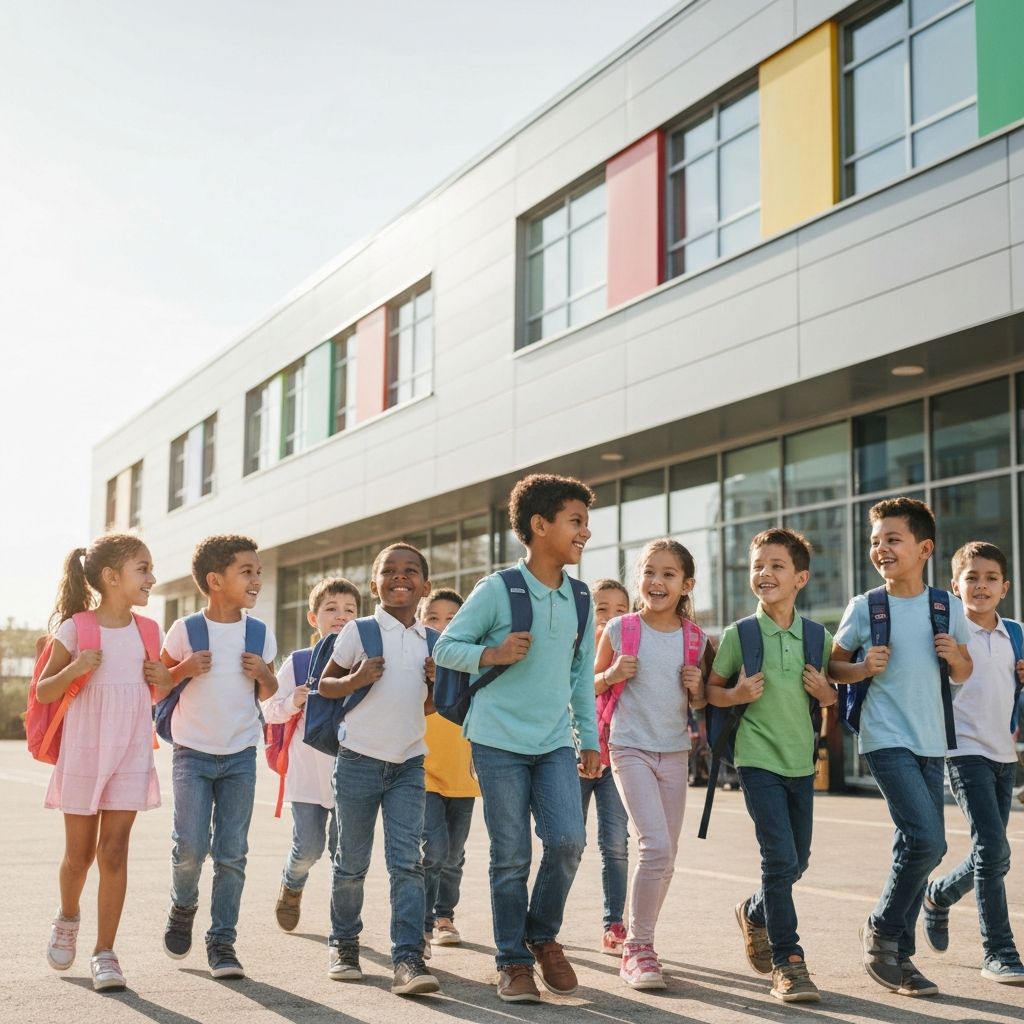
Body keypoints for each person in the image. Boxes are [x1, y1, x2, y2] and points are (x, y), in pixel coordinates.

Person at [434, 473, 600, 1004]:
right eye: (576, 521)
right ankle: (511, 961)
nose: (585, 533)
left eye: (586, 523)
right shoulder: (497, 589)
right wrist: (493, 653)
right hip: (497, 739)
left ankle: (541, 933)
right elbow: (445, 648)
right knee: (510, 856)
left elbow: (578, 677)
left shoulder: (579, 595)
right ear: (539, 525)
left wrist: (588, 737)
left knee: (569, 840)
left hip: (553, 741)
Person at [830, 497, 971, 997]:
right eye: (875, 541)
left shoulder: (947, 607)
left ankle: (899, 958)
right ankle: (883, 933)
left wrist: (956, 656)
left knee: (915, 844)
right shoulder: (866, 607)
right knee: (928, 840)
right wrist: (862, 669)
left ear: (924, 548)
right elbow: (834, 665)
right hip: (885, 735)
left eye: (892, 539)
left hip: (932, 740)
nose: (880, 548)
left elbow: (963, 672)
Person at [706, 528, 835, 1003]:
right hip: (756, 759)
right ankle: (789, 961)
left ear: (800, 577)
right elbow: (710, 692)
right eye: (758, 565)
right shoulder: (739, 634)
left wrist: (828, 694)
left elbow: (831, 693)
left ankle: (753, 912)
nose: (765, 573)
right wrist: (736, 694)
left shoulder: (818, 636)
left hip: (800, 761)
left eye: (777, 566)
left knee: (796, 861)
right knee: (779, 859)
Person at [37, 535, 170, 991]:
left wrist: (164, 676)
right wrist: (75, 668)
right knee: (78, 857)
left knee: (113, 851)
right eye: (143, 568)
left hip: (130, 750)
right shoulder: (77, 629)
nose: (152, 577)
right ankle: (68, 916)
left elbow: (160, 686)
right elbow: (43, 691)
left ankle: (105, 952)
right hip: (85, 751)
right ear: (112, 577)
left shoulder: (149, 631)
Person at [319, 543, 440, 996]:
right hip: (358, 761)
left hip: (409, 761)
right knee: (350, 862)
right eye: (389, 571)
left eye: (410, 571)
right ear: (375, 585)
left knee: (408, 864)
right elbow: (325, 686)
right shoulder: (360, 630)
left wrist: (433, 682)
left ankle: (407, 958)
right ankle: (344, 944)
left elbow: (431, 706)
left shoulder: (433, 640)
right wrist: (355, 680)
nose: (399, 577)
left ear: (424, 586)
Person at [160, 534, 278, 979]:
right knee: (190, 848)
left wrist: (266, 674)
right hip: (192, 753)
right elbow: (157, 685)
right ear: (215, 580)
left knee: (232, 854)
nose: (256, 579)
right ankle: (183, 904)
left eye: (259, 572)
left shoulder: (259, 632)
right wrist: (183, 669)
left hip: (240, 756)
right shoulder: (185, 630)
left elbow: (269, 693)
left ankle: (222, 942)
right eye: (246, 571)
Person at [595, 541, 708, 989]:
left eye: (668, 575)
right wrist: (611, 675)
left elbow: (697, 704)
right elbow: (588, 686)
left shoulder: (696, 638)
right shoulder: (620, 629)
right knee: (655, 846)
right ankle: (639, 947)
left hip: (675, 752)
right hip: (629, 747)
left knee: (668, 856)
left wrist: (697, 687)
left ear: (686, 585)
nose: (656, 582)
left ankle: (638, 938)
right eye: (648, 572)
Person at [922, 541, 1024, 984]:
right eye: (971, 578)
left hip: (1005, 754)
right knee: (993, 849)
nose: (980, 586)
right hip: (964, 753)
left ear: (1005, 587)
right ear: (955, 586)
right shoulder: (947, 634)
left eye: (990, 579)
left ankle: (938, 895)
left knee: (994, 855)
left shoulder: (1016, 634)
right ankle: (998, 951)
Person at [263, 577, 361, 932]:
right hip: (306, 775)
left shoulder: (365, 662)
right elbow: (269, 711)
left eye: (350, 610)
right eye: (331, 609)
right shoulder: (300, 661)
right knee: (309, 847)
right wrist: (294, 701)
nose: (341, 616)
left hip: (351, 774)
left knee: (344, 855)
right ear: (312, 617)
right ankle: (292, 884)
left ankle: (343, 928)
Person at [419, 588, 479, 952]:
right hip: (422, 767)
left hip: (464, 772)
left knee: (454, 852)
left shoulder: (472, 662)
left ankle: (445, 915)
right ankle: (423, 922)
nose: (442, 627)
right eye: (433, 619)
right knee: (432, 850)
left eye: (452, 620)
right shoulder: (416, 661)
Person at [583, 579, 630, 955]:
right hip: (576, 756)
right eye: (602, 608)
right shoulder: (577, 645)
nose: (611, 617)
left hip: (618, 760)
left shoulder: (633, 647)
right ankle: (544, 926)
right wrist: (610, 675)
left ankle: (614, 923)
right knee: (564, 844)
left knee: (615, 845)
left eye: (620, 610)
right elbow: (575, 690)